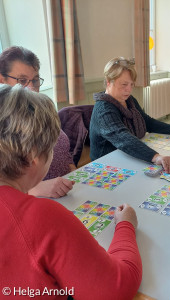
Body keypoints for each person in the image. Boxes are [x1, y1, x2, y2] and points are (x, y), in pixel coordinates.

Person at [0, 84, 142, 299]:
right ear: (33, 156)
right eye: (51, 148)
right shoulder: (41, 216)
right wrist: (126, 225)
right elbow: (116, 289)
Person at [90, 57, 170, 174]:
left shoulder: (128, 100)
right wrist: (156, 157)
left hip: (126, 157)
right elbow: (123, 138)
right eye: (124, 84)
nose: (128, 89)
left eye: (131, 84)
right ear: (109, 81)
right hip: (106, 166)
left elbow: (146, 121)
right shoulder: (103, 109)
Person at [0, 46, 76, 198]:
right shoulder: (4, 124)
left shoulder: (41, 110)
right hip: (34, 206)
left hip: (70, 196)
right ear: (2, 80)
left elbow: (65, 156)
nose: (31, 87)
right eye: (22, 81)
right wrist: (34, 189)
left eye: (35, 80)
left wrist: (79, 177)